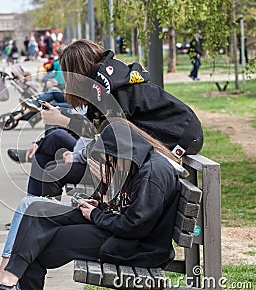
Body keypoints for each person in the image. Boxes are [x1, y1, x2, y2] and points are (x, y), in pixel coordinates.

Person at [0, 120, 181, 290]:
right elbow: (128, 209)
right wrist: (100, 206)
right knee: (36, 210)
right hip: (120, 233)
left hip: (136, 248)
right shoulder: (137, 164)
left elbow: (135, 226)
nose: (109, 166)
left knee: (38, 250)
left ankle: (5, 285)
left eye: (109, 161)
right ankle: (7, 282)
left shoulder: (152, 175)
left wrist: (95, 215)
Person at [11, 39, 203, 198]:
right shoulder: (105, 84)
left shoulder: (111, 89)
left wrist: (65, 124)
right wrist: (63, 121)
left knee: (54, 171)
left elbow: (107, 133)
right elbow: (98, 130)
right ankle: (34, 216)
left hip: (180, 137)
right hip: (171, 135)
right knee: (54, 162)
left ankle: (39, 222)